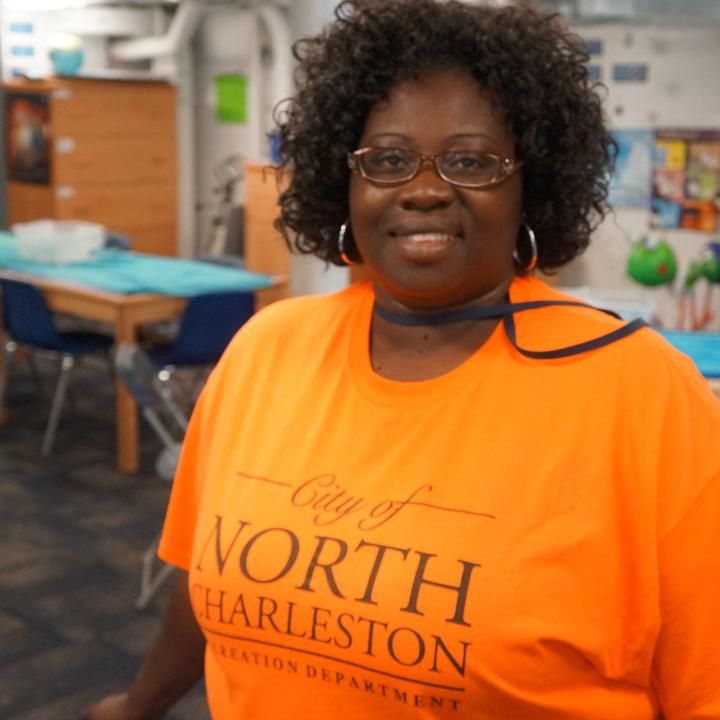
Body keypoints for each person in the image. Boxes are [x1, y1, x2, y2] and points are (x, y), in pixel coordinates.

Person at [85, 1, 720, 718]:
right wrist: (136, 706)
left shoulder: (645, 397)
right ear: (345, 182)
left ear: (530, 186)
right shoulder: (265, 350)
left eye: (470, 161)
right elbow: (201, 580)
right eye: (387, 159)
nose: (423, 188)